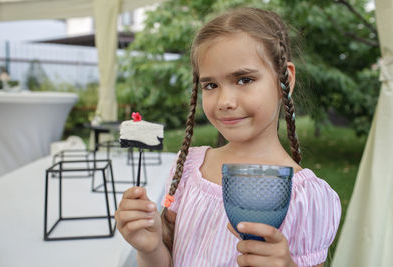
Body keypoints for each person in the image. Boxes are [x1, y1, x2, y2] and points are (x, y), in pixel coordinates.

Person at [115, 7, 341, 267]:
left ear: (284, 80)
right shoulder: (189, 169)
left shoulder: (306, 198)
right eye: (211, 85)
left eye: (244, 80)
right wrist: (150, 247)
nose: (224, 101)